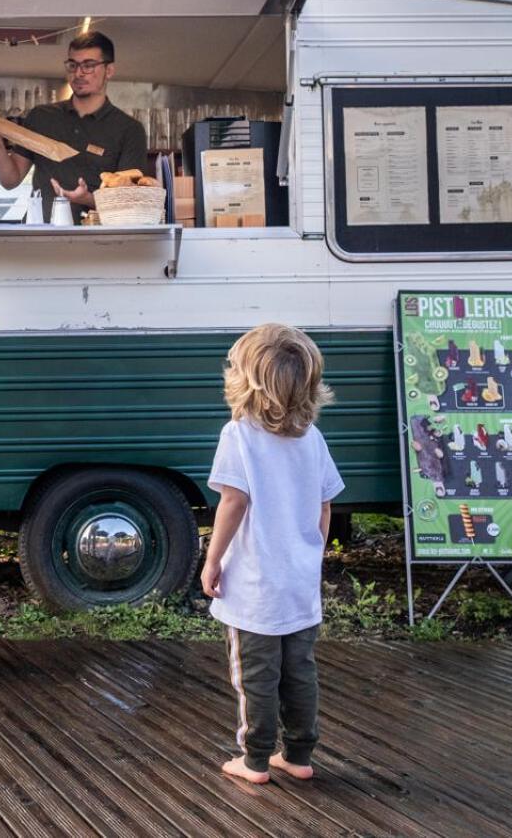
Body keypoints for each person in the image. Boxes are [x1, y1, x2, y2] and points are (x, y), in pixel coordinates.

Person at [200, 323, 345, 785]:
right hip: (300, 581)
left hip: (256, 586)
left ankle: (256, 759)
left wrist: (212, 558)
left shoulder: (238, 434)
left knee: (256, 676)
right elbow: (325, 505)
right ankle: (299, 754)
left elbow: (234, 502)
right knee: (300, 671)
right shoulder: (312, 439)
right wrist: (312, 554)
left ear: (245, 381)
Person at [0, 30, 150, 222]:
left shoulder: (129, 129)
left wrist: (87, 198)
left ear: (109, 71)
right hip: (38, 237)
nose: (79, 73)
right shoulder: (41, 117)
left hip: (95, 241)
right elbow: (10, 180)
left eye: (88, 65)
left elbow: (129, 203)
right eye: (72, 65)